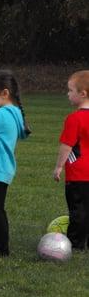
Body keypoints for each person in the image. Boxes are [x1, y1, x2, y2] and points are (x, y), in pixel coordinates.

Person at [0, 70, 31, 257]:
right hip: (3, 169)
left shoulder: (0, 115)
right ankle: (0, 246)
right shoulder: (13, 113)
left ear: (5, 93)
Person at [53, 70, 89, 250]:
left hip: (79, 174)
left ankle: (76, 243)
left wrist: (59, 166)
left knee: (78, 211)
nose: (67, 94)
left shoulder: (74, 119)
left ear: (82, 94)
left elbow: (67, 146)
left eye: (70, 90)